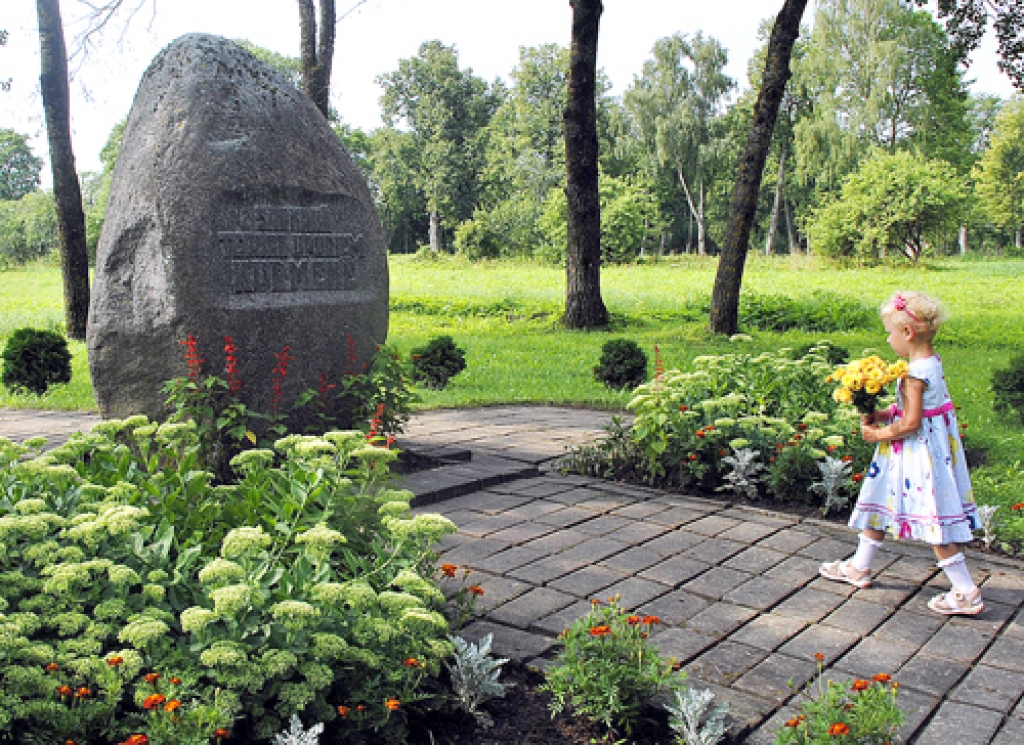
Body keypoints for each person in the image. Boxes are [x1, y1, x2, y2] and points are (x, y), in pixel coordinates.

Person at [819, 291, 983, 615]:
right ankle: (859, 566)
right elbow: (921, 411)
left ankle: (966, 591)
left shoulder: (913, 375)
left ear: (907, 332)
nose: (888, 339)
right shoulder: (931, 364)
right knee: (880, 499)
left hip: (917, 460)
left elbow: (911, 423)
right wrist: (881, 413)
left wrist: (877, 434)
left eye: (890, 332)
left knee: (934, 522)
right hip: (917, 456)